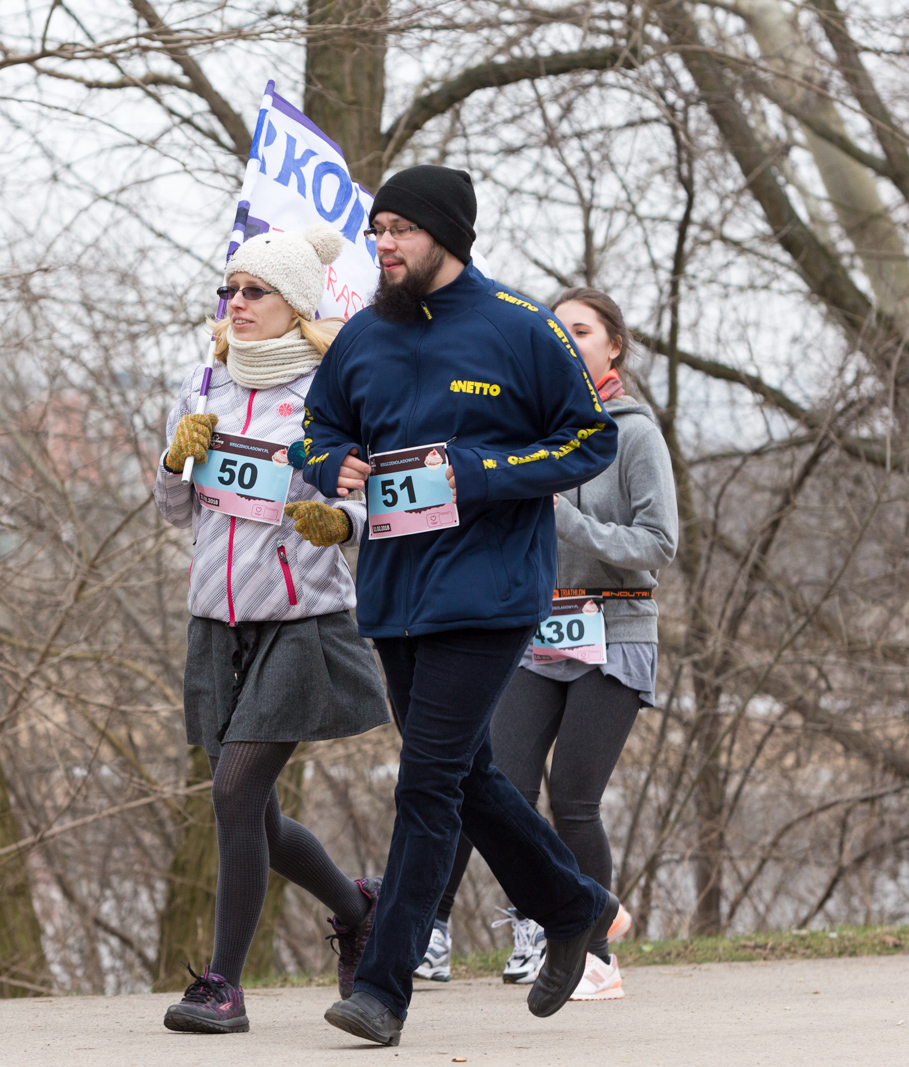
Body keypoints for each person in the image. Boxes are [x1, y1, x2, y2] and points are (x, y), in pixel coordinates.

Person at [299, 165, 628, 1047]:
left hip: (489, 592)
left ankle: (383, 987)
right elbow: (318, 428)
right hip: (395, 592)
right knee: (465, 774)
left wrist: (491, 473)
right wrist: (332, 465)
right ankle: (574, 905)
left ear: (448, 233)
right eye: (378, 230)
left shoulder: (523, 329)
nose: (385, 244)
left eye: (401, 228)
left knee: (427, 781)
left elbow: (592, 436)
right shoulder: (362, 337)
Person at [153, 224, 390, 1035]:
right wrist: (173, 462)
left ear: (295, 304)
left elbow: (377, 503)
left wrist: (339, 521)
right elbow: (173, 509)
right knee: (249, 812)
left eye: (255, 291)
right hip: (215, 622)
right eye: (232, 290)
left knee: (234, 790)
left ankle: (224, 984)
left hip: (299, 622)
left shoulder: (336, 389)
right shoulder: (206, 379)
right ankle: (359, 907)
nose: (237, 304)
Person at [415, 288, 678, 1001]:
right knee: (493, 782)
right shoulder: (532, 431)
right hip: (536, 633)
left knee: (575, 798)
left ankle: (596, 955)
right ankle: (486, 927)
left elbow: (660, 544)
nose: (568, 341)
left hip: (614, 630)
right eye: (557, 332)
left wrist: (568, 522)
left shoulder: (633, 433)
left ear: (612, 345)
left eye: (583, 331)